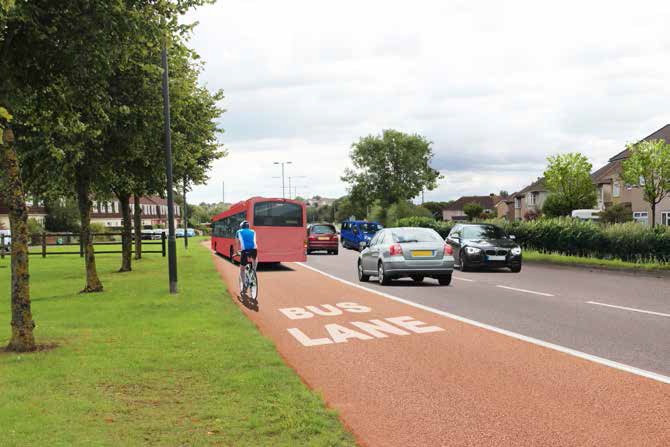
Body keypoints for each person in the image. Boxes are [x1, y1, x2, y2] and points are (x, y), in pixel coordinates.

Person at [236, 220, 257, 292]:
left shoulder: (238, 231)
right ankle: (253, 273)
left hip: (244, 251)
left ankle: (244, 285)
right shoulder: (253, 231)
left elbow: (236, 243)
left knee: (242, 269)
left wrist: (236, 252)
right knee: (255, 259)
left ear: (241, 226)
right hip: (254, 250)